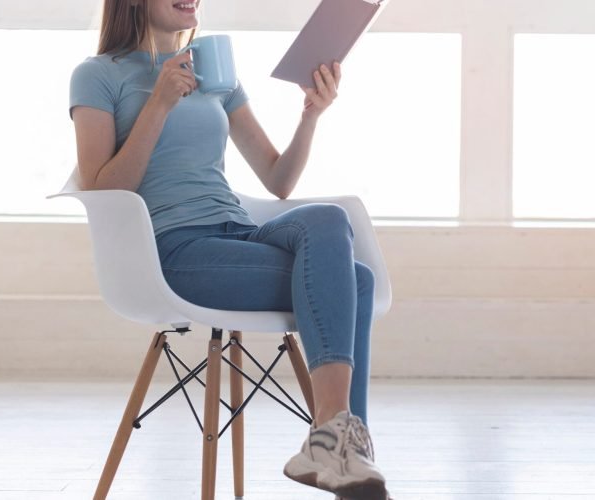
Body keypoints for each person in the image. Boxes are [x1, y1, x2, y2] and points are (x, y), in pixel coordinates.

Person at [68, 1, 388, 498]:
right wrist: (158, 104)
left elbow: (278, 180)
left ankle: (333, 438)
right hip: (175, 251)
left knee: (329, 218)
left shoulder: (214, 70)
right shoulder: (98, 75)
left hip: (239, 234)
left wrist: (310, 115)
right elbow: (102, 189)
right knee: (357, 282)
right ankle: (339, 448)